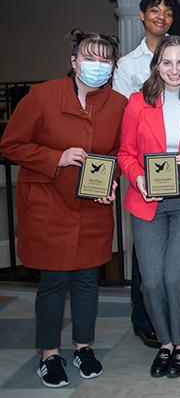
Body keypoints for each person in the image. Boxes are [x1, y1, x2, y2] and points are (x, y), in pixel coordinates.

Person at [0, 30, 127, 388]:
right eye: (90, 57)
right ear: (73, 62)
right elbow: (11, 144)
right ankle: (49, 354)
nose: (97, 66)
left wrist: (110, 182)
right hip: (47, 203)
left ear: (113, 67)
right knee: (53, 281)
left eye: (105, 60)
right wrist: (57, 157)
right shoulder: (41, 96)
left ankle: (83, 347)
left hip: (91, 205)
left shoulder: (118, 104)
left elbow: (119, 152)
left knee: (88, 280)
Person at [113, 0, 180, 348]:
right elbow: (126, 152)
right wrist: (137, 177)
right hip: (147, 195)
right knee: (152, 280)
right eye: (167, 63)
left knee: (176, 276)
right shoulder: (138, 104)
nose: (174, 69)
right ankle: (166, 343)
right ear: (157, 66)